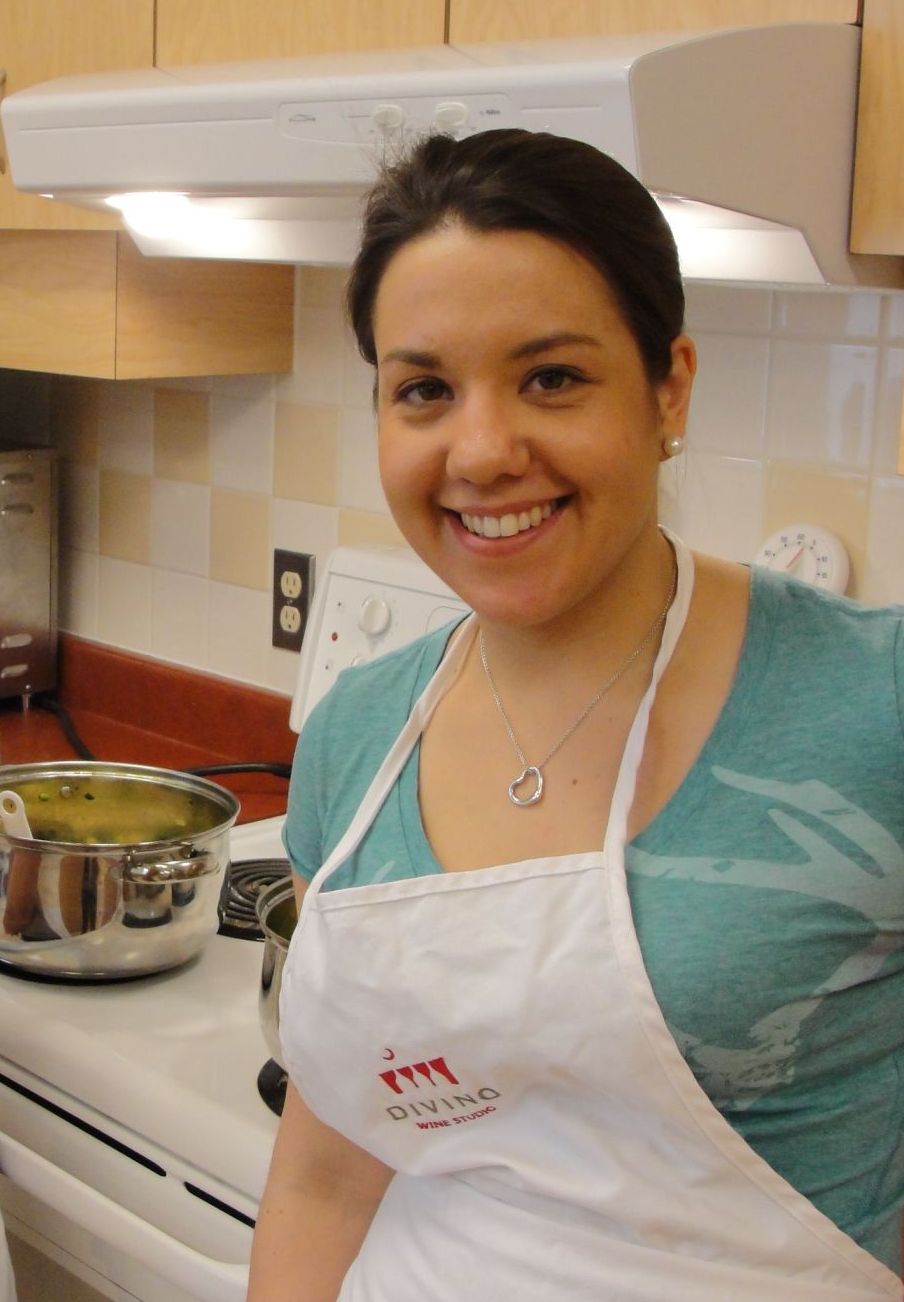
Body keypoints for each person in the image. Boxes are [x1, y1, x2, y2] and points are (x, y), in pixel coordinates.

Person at [247, 129, 904, 1301]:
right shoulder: (357, 735)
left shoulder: (870, 703)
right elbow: (325, 1177)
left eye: (551, 377)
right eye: (424, 390)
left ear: (668, 389)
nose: (483, 452)